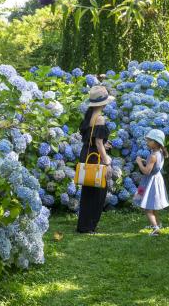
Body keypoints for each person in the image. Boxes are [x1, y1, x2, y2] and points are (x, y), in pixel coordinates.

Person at [77, 85, 114, 234]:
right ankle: (89, 225)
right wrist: (107, 161)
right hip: (96, 157)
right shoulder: (100, 118)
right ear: (103, 103)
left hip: (86, 154)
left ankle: (85, 224)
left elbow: (91, 139)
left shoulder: (89, 116)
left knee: (88, 191)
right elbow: (98, 143)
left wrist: (103, 144)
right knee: (99, 191)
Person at [133, 129, 169, 236]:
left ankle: (155, 228)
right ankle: (157, 223)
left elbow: (146, 171)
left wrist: (139, 162)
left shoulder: (153, 156)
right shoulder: (159, 153)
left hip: (150, 182)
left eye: (149, 140)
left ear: (156, 142)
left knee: (147, 207)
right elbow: (154, 165)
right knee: (153, 205)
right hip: (156, 179)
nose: (147, 142)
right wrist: (146, 161)